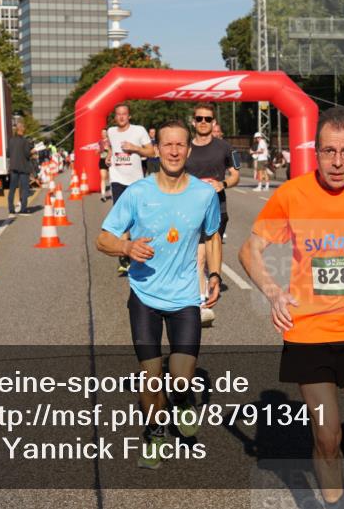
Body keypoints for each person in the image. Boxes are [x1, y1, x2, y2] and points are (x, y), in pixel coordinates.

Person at [239, 107, 344, 507]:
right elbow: (249, 250)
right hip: (308, 334)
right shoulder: (292, 194)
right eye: (329, 151)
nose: (337, 162)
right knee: (325, 435)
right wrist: (273, 292)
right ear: (315, 151)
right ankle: (335, 501)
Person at [96, 120, 222, 470]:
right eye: (167, 144)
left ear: (189, 150)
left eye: (180, 145)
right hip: (144, 297)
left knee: (180, 379)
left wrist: (214, 274)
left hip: (184, 299)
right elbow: (103, 238)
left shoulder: (204, 194)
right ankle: (155, 434)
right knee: (152, 379)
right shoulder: (138, 193)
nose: (174, 151)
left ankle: (181, 400)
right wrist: (126, 247)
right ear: (156, 149)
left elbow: (212, 235)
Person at [186, 103, 240, 325]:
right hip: (191, 210)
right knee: (199, 256)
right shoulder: (186, 147)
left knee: (209, 257)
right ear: (193, 121)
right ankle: (202, 305)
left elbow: (235, 175)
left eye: (207, 119)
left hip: (218, 209)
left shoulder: (224, 148)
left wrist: (222, 183)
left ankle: (210, 277)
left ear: (214, 122)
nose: (203, 122)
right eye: (199, 118)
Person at [108, 103, 155, 276]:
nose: (121, 117)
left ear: (129, 116)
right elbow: (112, 148)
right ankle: (124, 257)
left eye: (124, 114)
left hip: (136, 181)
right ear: (115, 117)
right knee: (122, 217)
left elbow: (151, 152)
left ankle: (140, 249)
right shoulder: (111, 131)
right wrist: (109, 156)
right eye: (118, 114)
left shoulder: (139, 130)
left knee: (138, 218)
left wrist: (135, 148)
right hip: (117, 179)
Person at [7, 121, 34, 216]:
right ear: (22, 129)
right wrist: (32, 152)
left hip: (13, 167)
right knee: (25, 189)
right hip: (23, 168)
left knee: (12, 189)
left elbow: (8, 154)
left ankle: (11, 209)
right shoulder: (25, 141)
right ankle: (23, 209)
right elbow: (27, 154)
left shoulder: (11, 140)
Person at [98, 129, 112, 202]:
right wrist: (99, 150)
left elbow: (112, 150)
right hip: (102, 160)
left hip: (109, 160)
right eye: (102, 132)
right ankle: (103, 195)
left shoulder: (110, 141)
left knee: (111, 178)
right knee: (103, 177)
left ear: (107, 133)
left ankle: (111, 193)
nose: (103, 134)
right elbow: (98, 151)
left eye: (104, 132)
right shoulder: (100, 142)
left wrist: (108, 149)